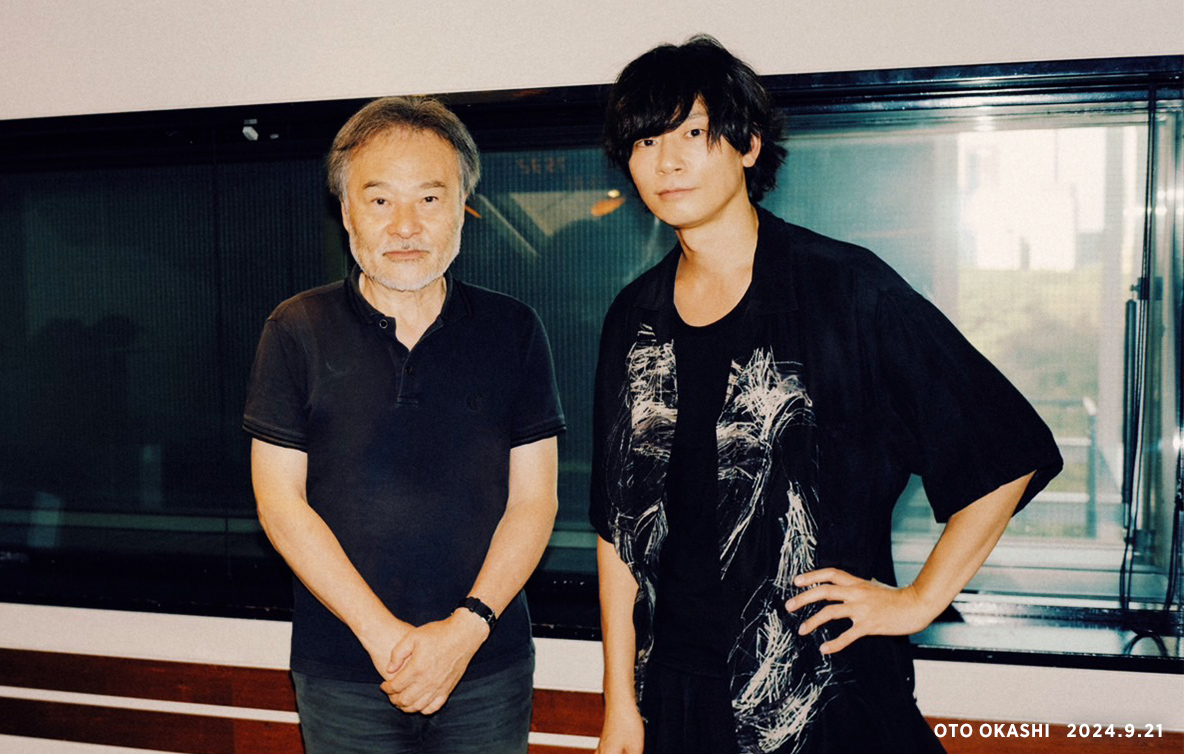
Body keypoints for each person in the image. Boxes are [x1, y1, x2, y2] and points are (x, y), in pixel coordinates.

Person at [590, 36, 1063, 754]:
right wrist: (619, 705)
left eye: (693, 133)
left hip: (822, 692)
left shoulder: (845, 288)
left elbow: (1005, 448)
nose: (668, 161)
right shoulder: (634, 316)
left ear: (747, 145)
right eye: (646, 141)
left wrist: (918, 601)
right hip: (674, 697)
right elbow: (616, 526)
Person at [244, 96, 565, 754]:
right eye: (380, 200)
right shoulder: (295, 329)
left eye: (429, 198)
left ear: (463, 206)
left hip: (486, 663)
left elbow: (535, 501)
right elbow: (279, 504)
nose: (406, 226)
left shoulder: (514, 330)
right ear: (346, 211)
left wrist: (464, 631)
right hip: (343, 667)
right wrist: (384, 637)